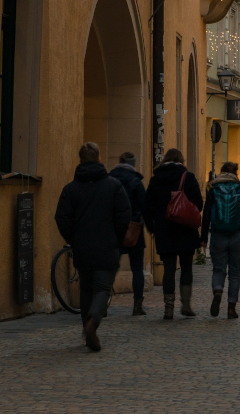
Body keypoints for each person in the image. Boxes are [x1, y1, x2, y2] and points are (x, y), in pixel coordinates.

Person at [55, 143, 131, 352]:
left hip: (82, 248)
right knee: (102, 288)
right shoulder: (113, 186)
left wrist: (74, 238)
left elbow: (62, 217)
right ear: (99, 159)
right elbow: (124, 214)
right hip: (107, 246)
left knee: (86, 288)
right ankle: (92, 323)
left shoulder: (71, 189)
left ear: (80, 160)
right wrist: (116, 237)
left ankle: (87, 330)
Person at [144, 148, 204, 320]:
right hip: (185, 229)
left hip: (164, 230)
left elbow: (147, 207)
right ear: (181, 159)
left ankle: (168, 308)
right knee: (186, 267)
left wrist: (153, 228)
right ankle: (186, 304)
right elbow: (198, 204)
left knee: (168, 269)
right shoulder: (188, 177)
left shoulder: (156, 179)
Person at [201, 162, 240, 319]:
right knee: (234, 274)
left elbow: (206, 214)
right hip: (237, 236)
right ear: (235, 174)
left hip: (218, 235)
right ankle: (231, 308)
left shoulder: (213, 189)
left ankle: (218, 291)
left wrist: (204, 237)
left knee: (218, 269)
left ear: (221, 172)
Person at [109, 152, 148, 316]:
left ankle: (102, 302)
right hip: (134, 229)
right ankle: (137, 306)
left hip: (114, 228)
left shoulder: (110, 180)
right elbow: (145, 205)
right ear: (133, 164)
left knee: (110, 267)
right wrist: (150, 226)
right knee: (137, 268)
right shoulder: (136, 181)